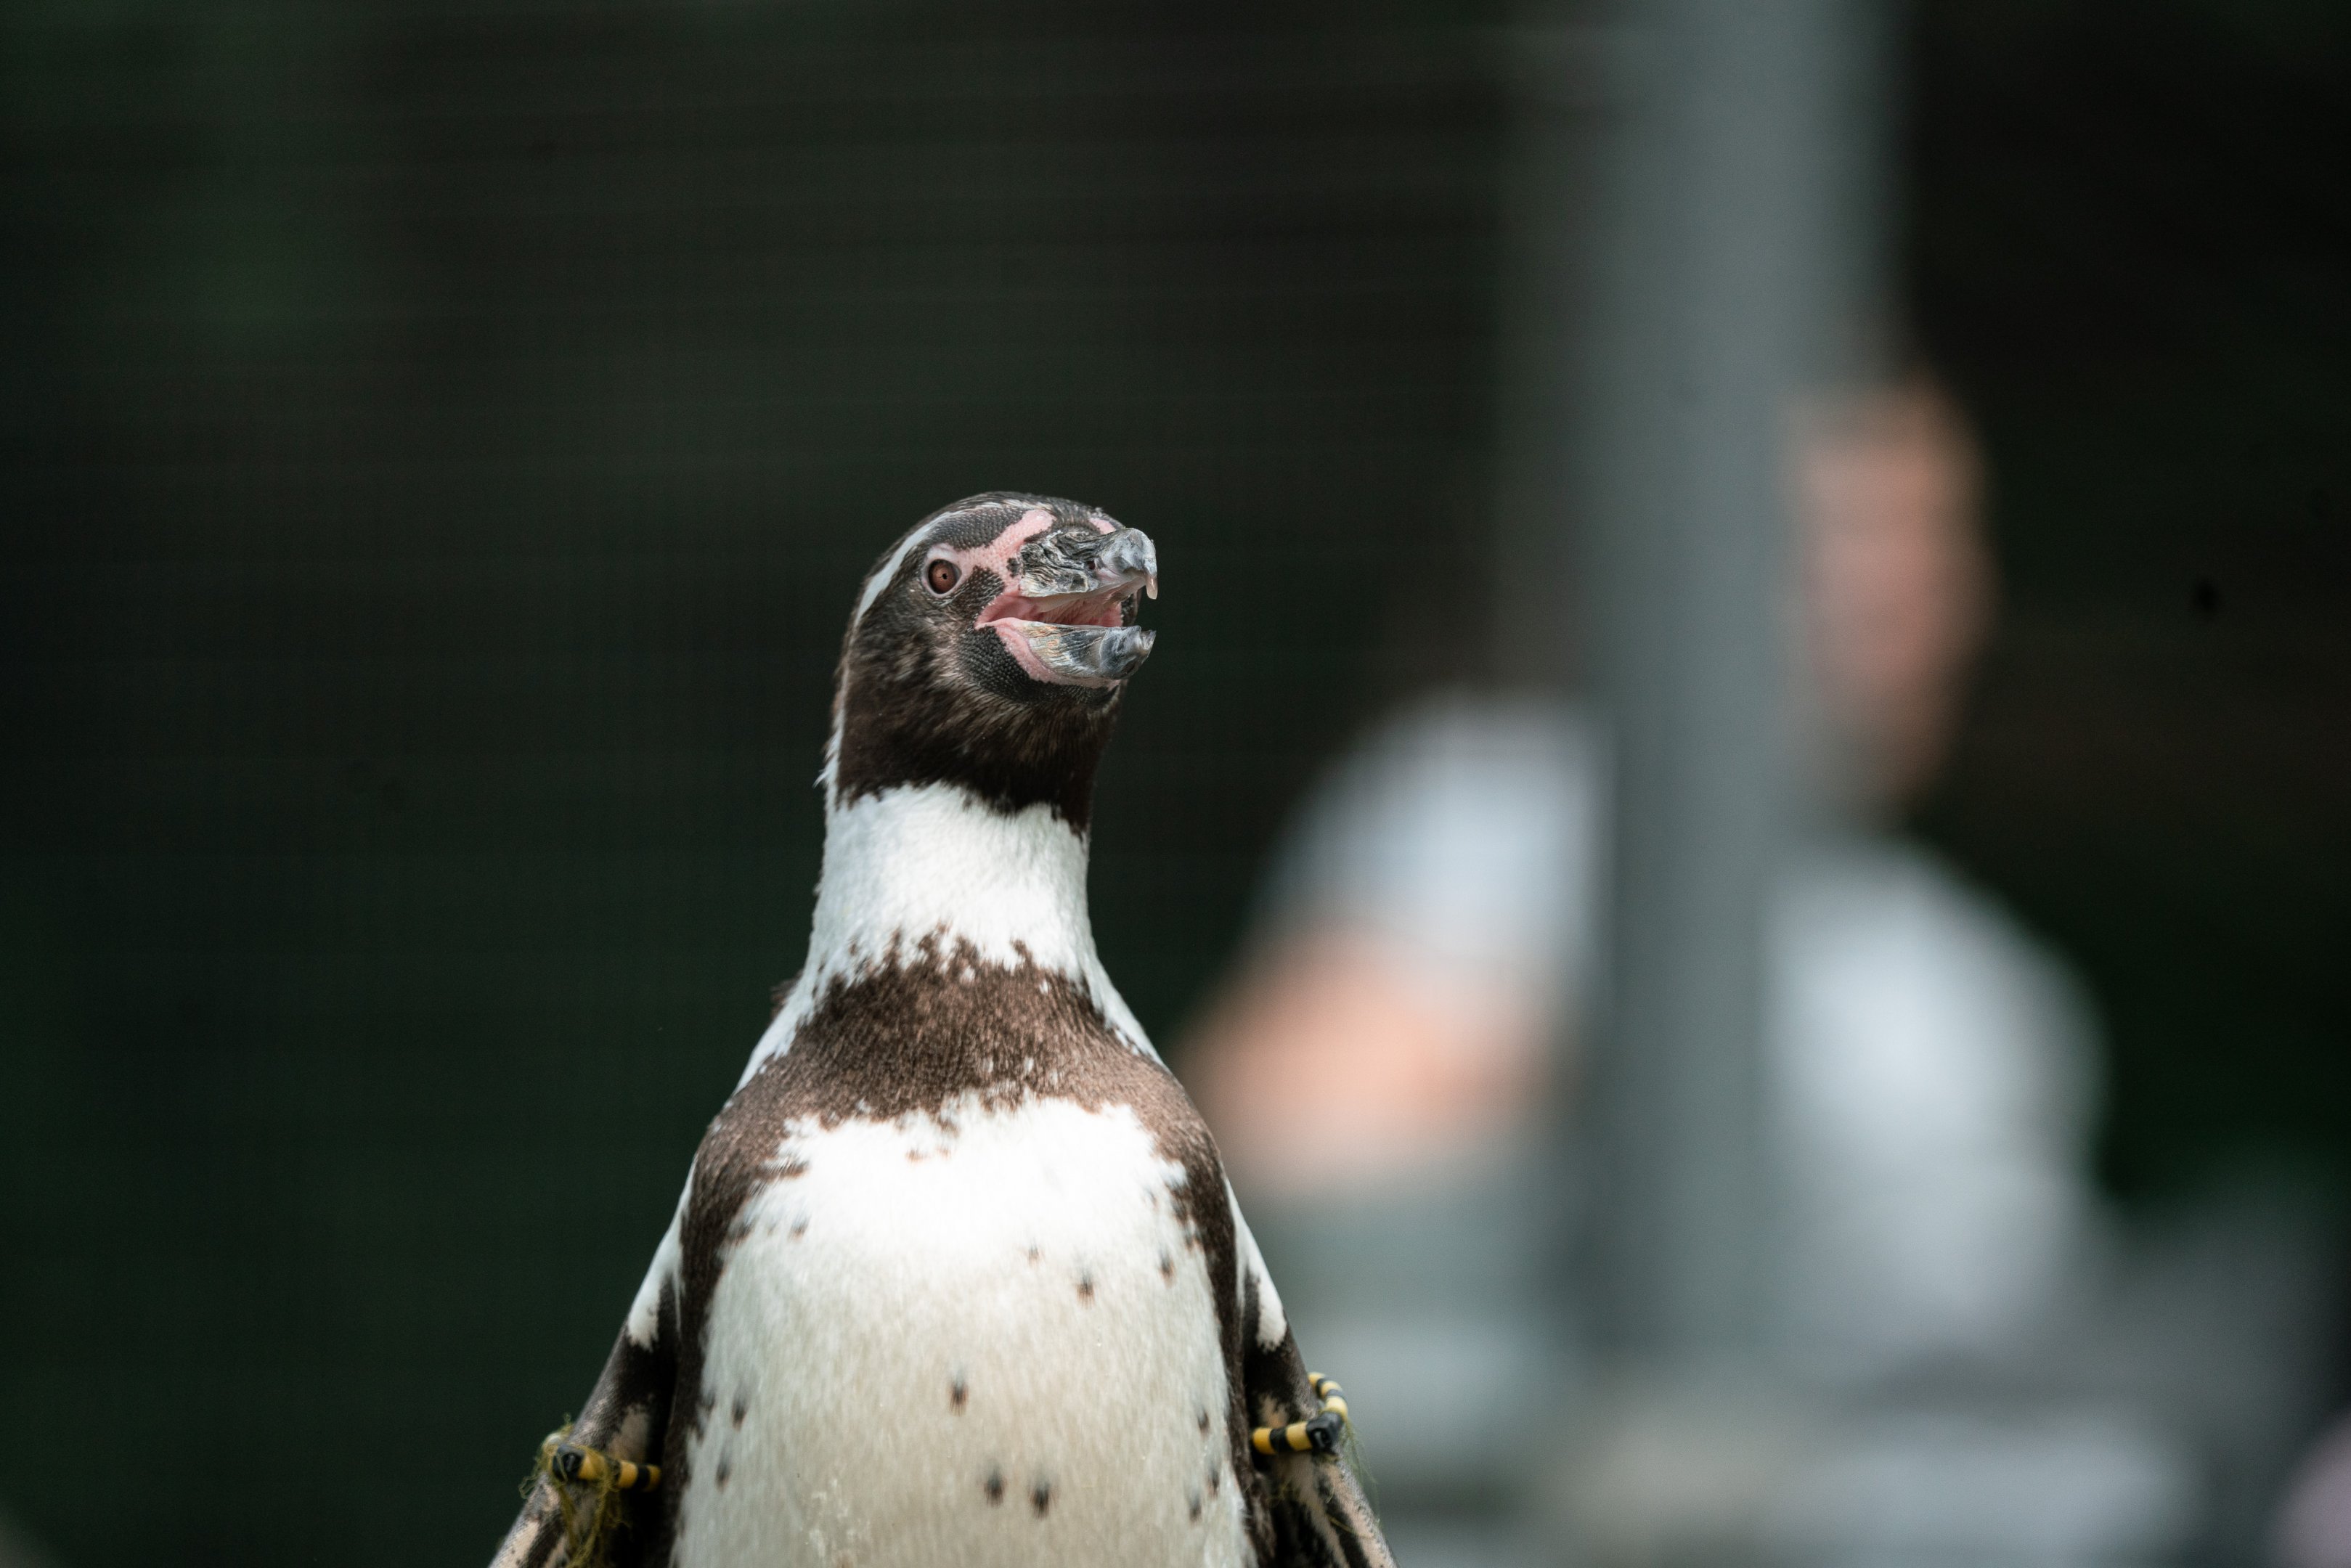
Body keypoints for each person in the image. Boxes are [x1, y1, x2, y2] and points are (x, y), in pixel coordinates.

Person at [1178, 378, 2118, 1563]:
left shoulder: (1967, 975)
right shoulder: (1493, 807)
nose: (1910, 596)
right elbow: (1289, 1129)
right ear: (1695, 560)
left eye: (1939, 541)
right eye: (1857, 540)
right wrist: (1640, 1024)